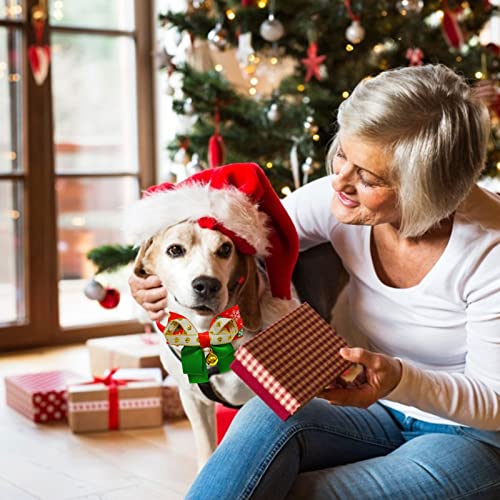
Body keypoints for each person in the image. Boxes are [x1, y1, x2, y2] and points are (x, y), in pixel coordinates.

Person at [129, 64, 500, 499]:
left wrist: (399, 377)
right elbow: (232, 241)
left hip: (470, 436)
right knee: (260, 419)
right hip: (373, 411)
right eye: (343, 155)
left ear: (425, 188)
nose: (340, 181)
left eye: (368, 177)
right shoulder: (338, 201)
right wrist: (145, 279)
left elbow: (492, 402)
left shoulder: (489, 249)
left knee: (293, 492)